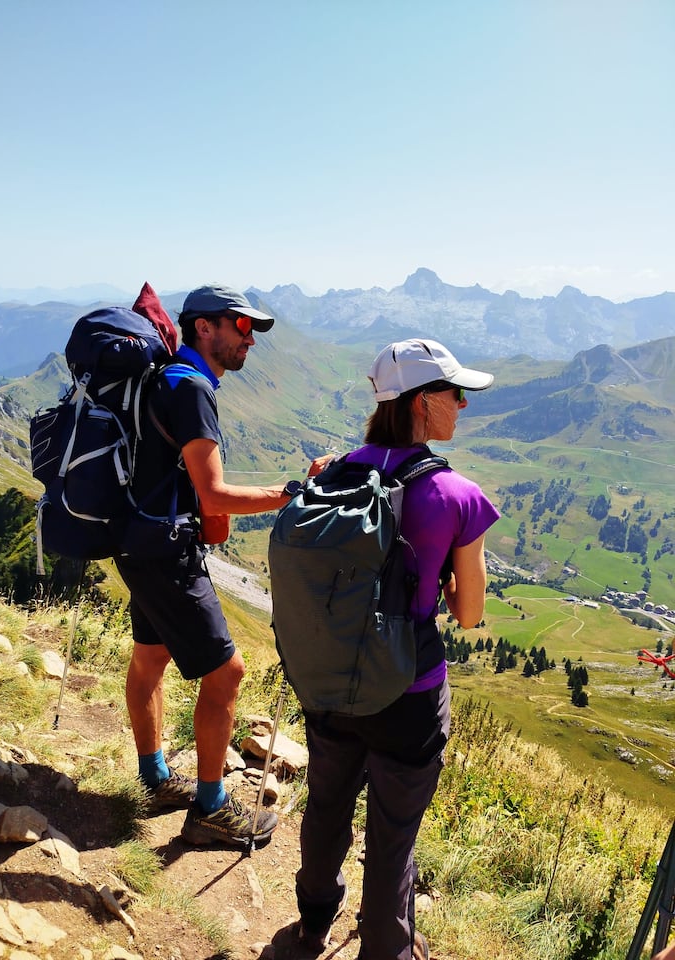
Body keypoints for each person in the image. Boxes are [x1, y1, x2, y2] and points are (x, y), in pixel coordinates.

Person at [294, 339, 501, 960]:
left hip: (331, 678)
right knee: (392, 838)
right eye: (454, 393)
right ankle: (387, 949)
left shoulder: (334, 472)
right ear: (419, 402)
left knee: (327, 805)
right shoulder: (458, 496)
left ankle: (311, 923)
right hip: (408, 691)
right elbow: (469, 613)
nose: (463, 404)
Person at [115, 283, 320, 849]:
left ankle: (155, 778)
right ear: (204, 327)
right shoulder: (191, 388)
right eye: (242, 326)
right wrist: (292, 491)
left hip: (137, 541)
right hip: (165, 554)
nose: (250, 340)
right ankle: (210, 808)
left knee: (151, 657)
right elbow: (214, 495)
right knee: (227, 673)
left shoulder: (168, 378)